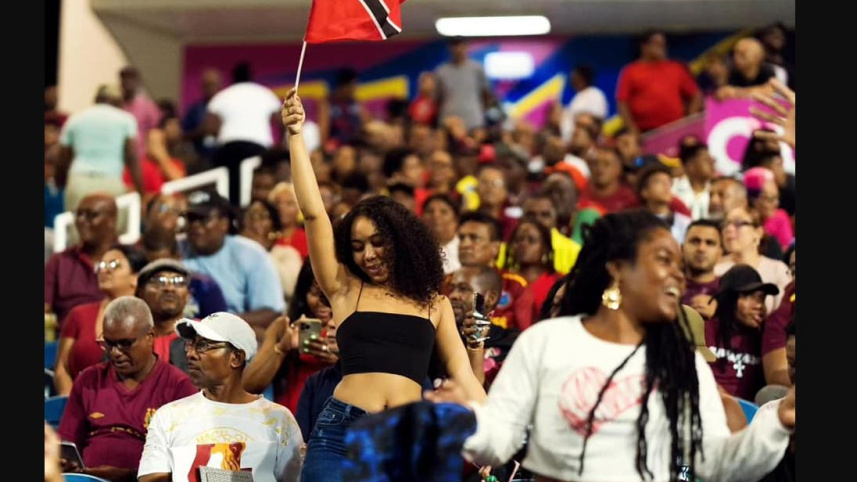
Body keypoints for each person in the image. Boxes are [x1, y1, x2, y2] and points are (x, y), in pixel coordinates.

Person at [426, 209, 795, 482]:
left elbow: (716, 463)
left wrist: (777, 422)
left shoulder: (681, 362)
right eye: (664, 260)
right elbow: (499, 441)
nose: (678, 275)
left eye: (679, 265)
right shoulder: (546, 342)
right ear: (617, 268)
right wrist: (466, 418)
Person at [281, 88, 486, 481]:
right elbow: (314, 213)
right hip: (340, 435)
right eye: (357, 247)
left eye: (378, 243)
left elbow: (463, 373)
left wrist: (496, 430)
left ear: (401, 241)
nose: (368, 255)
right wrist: (296, 136)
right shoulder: (343, 288)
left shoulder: (434, 303)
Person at [138, 313, 303, 482]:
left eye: (203, 345)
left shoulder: (278, 419)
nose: (191, 354)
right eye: (191, 344)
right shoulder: (168, 416)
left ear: (236, 358)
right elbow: (150, 479)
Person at [57, 297, 197, 481]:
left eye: (125, 344)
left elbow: (183, 467)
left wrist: (127, 476)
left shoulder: (179, 387)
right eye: (109, 344)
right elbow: (67, 443)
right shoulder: (88, 380)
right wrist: (66, 463)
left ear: (150, 336)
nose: (115, 352)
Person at [178, 190, 285, 338]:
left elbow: (271, 312)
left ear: (224, 223)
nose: (195, 225)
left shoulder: (250, 254)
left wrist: (216, 325)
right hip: (179, 334)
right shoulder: (175, 248)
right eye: (191, 219)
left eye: (203, 219)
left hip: (229, 337)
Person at [243, 261, 338, 415]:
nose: (322, 303)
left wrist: (339, 361)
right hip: (287, 417)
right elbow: (248, 387)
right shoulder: (284, 327)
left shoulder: (354, 330)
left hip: (331, 417)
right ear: (304, 293)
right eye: (315, 293)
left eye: (329, 294)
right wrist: (281, 348)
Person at [54, 244, 149, 395]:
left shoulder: (149, 318)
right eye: (102, 265)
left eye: (114, 265)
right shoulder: (79, 314)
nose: (105, 270)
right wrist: (71, 401)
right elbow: (62, 368)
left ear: (135, 278)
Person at [58, 84, 143, 213]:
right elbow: (132, 158)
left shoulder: (75, 118)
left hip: (78, 181)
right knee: (111, 225)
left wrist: (61, 184)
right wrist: (141, 191)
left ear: (96, 99)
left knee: (76, 224)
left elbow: (62, 158)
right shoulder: (126, 120)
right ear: (118, 101)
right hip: (110, 181)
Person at [207, 62, 282, 204]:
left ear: (233, 77)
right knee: (256, 185)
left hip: (229, 149)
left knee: (231, 187)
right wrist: (281, 145)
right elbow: (282, 121)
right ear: (251, 76)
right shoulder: (265, 94)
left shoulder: (222, 96)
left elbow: (209, 128)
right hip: (258, 149)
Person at [705, 264, 779, 401]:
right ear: (729, 298)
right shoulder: (702, 332)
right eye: (750, 297)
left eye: (762, 299)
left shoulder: (764, 340)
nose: (759, 306)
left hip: (751, 412)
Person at [45, 194, 119, 325]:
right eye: (78, 214)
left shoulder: (129, 259)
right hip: (68, 334)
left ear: (112, 220)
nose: (81, 220)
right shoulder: (60, 261)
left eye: (91, 215)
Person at [616, 31, 703, 135]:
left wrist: (688, 120)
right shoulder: (631, 71)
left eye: (663, 44)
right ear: (644, 47)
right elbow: (622, 103)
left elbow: (696, 95)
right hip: (645, 133)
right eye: (657, 44)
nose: (661, 47)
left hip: (674, 130)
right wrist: (632, 129)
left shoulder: (675, 69)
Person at [140, 226, 229, 320]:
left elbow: (219, 324)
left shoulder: (205, 286)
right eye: (151, 263)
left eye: (165, 264)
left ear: (178, 256)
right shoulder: (140, 285)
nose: (169, 288)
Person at [715, 206, 790, 314]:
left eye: (738, 223)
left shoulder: (778, 270)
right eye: (725, 224)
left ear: (758, 232)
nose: (729, 229)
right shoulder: (715, 269)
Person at [135, 259, 194, 372]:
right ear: (140, 293)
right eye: (159, 281)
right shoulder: (128, 340)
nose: (169, 288)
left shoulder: (203, 337)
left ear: (188, 294)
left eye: (178, 281)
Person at [239, 199, 303, 300]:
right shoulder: (235, 253)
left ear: (273, 224)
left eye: (262, 217)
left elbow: (291, 288)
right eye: (251, 217)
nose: (256, 223)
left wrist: (259, 250)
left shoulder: (287, 253)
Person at [504, 216, 562, 318]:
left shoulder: (558, 281)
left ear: (544, 248)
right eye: (518, 240)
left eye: (531, 240)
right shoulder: (504, 280)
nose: (523, 244)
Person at [435, 37, 493, 131]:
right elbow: (437, 98)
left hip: (473, 121)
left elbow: (486, 94)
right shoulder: (441, 71)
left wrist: (482, 112)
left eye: (461, 46)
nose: (458, 49)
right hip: (448, 121)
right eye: (455, 46)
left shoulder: (477, 69)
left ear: (466, 47)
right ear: (450, 48)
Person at [681, 219, 723, 319]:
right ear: (682, 249)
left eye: (710, 243)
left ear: (720, 253)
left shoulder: (729, 294)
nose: (701, 248)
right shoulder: (665, 289)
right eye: (695, 241)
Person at [560, 65, 609, 144]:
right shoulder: (577, 97)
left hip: (587, 143)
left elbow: (594, 122)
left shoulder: (595, 94)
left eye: (574, 77)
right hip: (571, 143)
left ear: (582, 78)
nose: (571, 80)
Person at [422, 193, 462, 274]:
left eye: (443, 212)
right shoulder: (415, 249)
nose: (435, 216)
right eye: (430, 211)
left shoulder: (466, 248)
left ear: (456, 219)